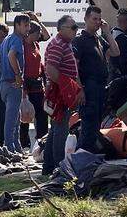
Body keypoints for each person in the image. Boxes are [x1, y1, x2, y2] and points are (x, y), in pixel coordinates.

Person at [72, 6, 120, 153]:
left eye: (99, 19)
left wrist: (107, 32)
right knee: (88, 127)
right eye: (94, 19)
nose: (97, 22)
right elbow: (74, 68)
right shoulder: (80, 40)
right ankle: (80, 161)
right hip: (88, 86)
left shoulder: (98, 39)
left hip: (100, 87)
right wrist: (79, 90)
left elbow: (116, 52)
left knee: (95, 128)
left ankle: (88, 160)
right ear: (86, 19)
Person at [43, 15, 82, 175]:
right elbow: (51, 70)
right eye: (73, 28)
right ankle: (59, 168)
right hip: (61, 94)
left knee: (55, 130)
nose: (76, 30)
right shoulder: (58, 44)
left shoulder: (65, 44)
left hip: (62, 91)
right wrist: (67, 88)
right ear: (62, 29)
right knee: (61, 130)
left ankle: (48, 167)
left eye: (76, 27)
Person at [0, 14, 30, 153]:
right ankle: (10, 149)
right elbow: (11, 55)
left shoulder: (7, 39)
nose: (28, 28)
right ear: (17, 25)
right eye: (25, 25)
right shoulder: (16, 40)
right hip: (13, 84)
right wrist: (18, 75)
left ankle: (17, 147)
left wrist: (1, 65)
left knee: (16, 117)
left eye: (29, 25)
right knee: (11, 119)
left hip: (4, 84)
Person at [19, 20, 50, 149]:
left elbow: (46, 35)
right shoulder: (21, 45)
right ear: (31, 33)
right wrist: (23, 88)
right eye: (37, 33)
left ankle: (41, 143)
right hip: (26, 85)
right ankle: (24, 144)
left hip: (38, 85)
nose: (39, 36)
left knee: (42, 115)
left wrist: (45, 79)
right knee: (25, 116)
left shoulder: (35, 44)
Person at [110, 8, 127, 81]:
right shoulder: (123, 38)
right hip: (122, 75)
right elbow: (125, 59)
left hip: (111, 73)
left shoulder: (109, 34)